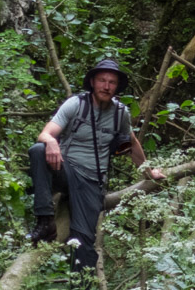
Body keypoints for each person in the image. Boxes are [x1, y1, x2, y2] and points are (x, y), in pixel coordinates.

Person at [28, 57, 165, 277]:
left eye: (112, 82)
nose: (107, 86)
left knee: (83, 244)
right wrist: (51, 141)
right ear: (93, 82)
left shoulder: (120, 113)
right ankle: (45, 221)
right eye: (102, 80)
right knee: (37, 150)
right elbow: (45, 133)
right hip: (67, 169)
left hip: (92, 181)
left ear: (117, 86)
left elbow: (131, 145)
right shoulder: (76, 104)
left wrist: (149, 172)